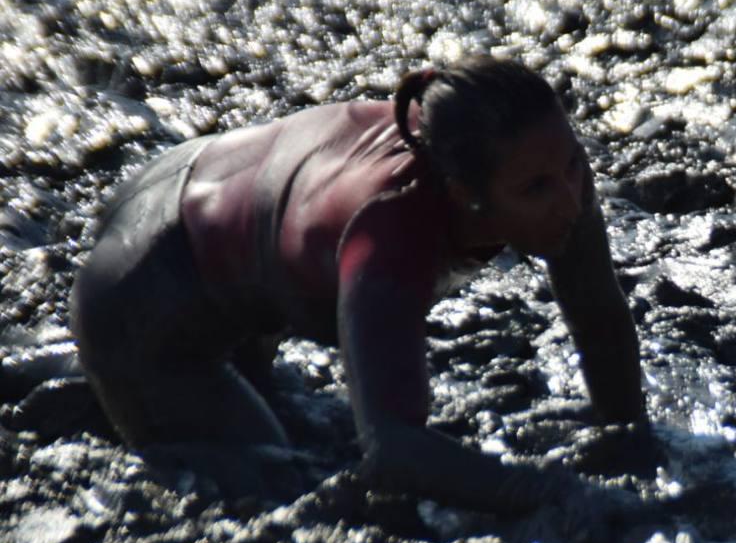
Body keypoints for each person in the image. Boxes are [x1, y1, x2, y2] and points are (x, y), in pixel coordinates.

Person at [67, 56, 648, 517]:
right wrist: (554, 492)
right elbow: (392, 452)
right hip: (145, 282)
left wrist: (632, 446)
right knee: (278, 484)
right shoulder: (392, 226)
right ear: (462, 190)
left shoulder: (544, 165)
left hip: (227, 232)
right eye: (538, 189)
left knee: (296, 425)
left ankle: (100, 389)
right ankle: (79, 385)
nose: (572, 202)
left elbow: (598, 319)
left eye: (574, 166)